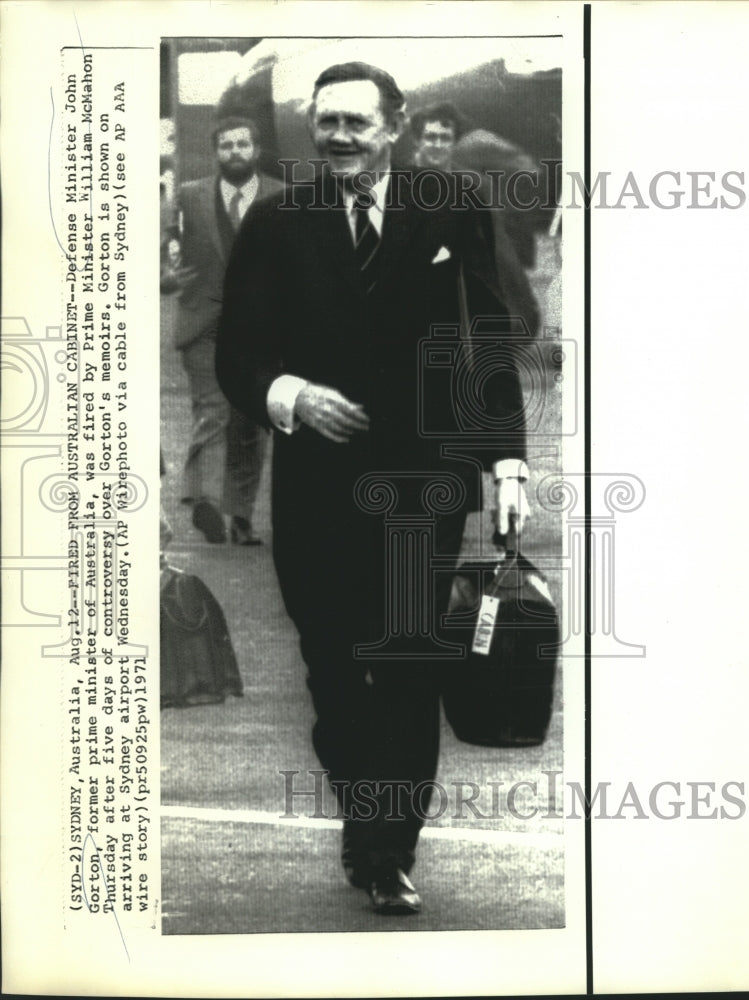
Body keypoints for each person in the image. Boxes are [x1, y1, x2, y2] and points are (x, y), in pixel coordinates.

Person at [217, 63, 530, 915]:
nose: (340, 137)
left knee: (404, 666)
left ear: (393, 127)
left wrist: (505, 460)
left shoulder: (450, 205)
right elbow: (236, 352)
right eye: (327, 124)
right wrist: (292, 396)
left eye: (357, 122)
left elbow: (489, 334)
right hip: (317, 485)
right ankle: (366, 811)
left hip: (421, 482)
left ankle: (388, 848)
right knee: (330, 669)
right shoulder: (281, 221)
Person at [173, 117, 283, 544]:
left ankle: (239, 515)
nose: (234, 152)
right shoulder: (189, 196)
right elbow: (162, 245)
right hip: (204, 323)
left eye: (242, 144)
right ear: (216, 151)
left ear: (255, 149)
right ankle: (204, 501)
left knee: (250, 422)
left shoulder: (282, 195)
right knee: (213, 409)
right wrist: (163, 274)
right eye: (225, 146)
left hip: (262, 330)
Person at [410, 102, 541, 338]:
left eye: (445, 138)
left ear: (454, 142)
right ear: (418, 141)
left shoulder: (475, 184)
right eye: (430, 137)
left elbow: (499, 251)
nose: (437, 145)